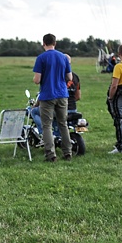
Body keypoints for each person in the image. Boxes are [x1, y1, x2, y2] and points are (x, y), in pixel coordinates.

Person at [32, 33, 73, 162]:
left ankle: (51, 155)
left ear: (43, 43)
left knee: (47, 126)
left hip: (47, 95)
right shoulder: (63, 57)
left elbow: (37, 80)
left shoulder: (41, 58)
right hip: (62, 94)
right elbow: (70, 77)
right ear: (55, 43)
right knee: (63, 124)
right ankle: (68, 152)